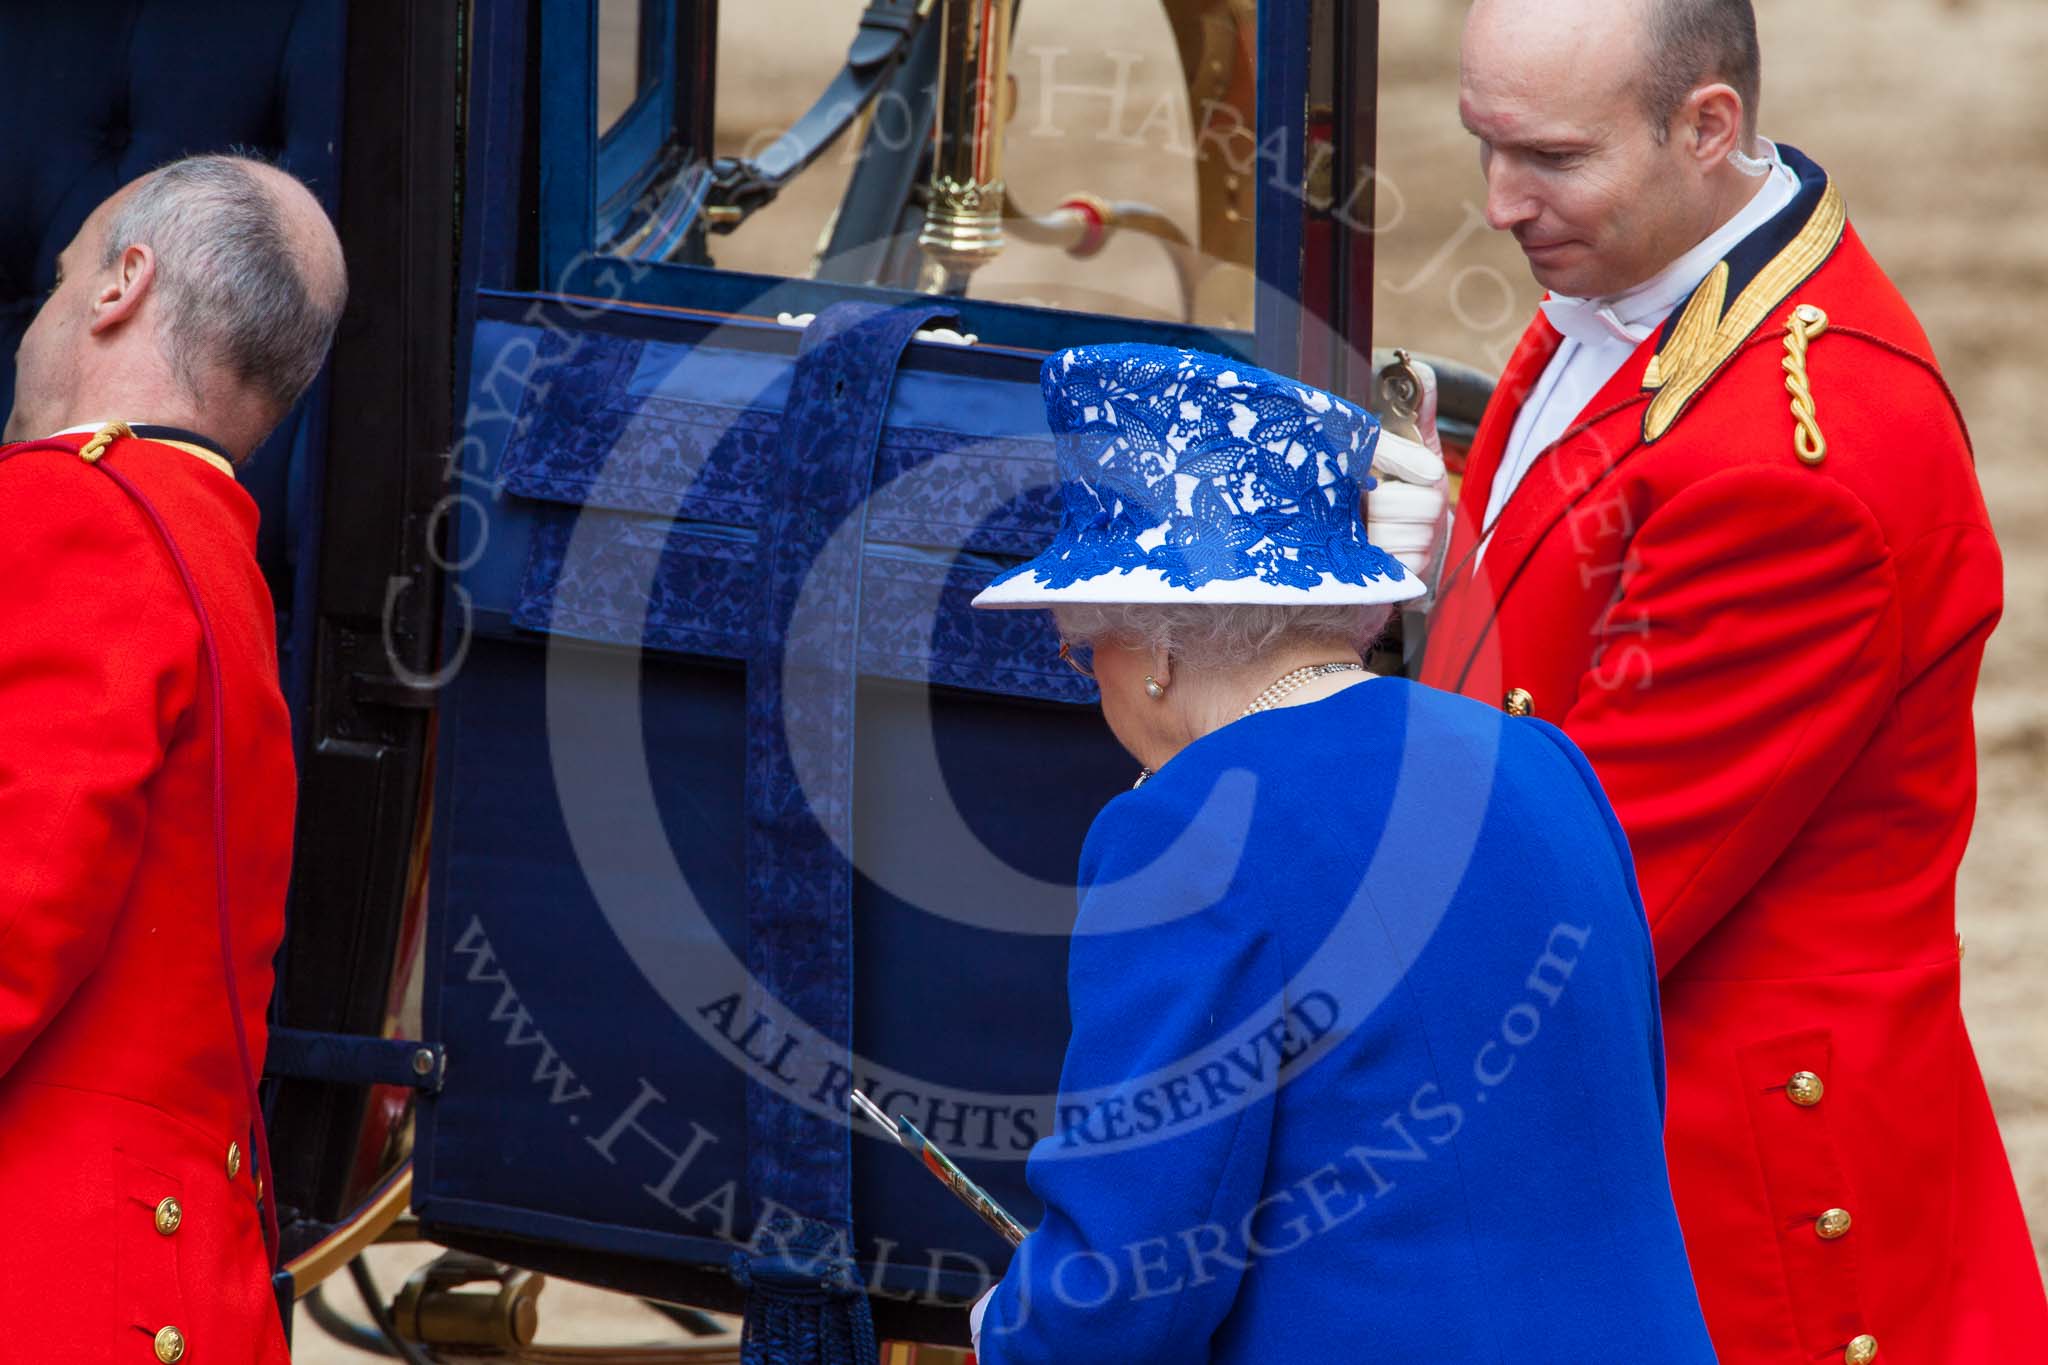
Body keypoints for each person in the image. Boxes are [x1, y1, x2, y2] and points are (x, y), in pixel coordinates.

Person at [1371, 1, 2048, 1359]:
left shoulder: (1794, 471)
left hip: (1735, 1227)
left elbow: (1569, 909)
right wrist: (1455, 570)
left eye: (1550, 157)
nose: (1500, 204)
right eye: (1483, 145)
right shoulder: (1654, 276)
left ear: (1708, 127)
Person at [961, 342, 1716, 1362]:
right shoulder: (1541, 759)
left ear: (1157, 649)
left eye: (1081, 645)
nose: (1084, 673)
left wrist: (1012, 1331)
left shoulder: (1180, 828)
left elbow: (1134, 1270)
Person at [0, 155, 346, 1363]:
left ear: (120, 287)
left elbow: (12, 920)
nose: (35, 318)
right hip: (185, 1280)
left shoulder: (71, 511)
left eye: (56, 282)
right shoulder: (219, 562)